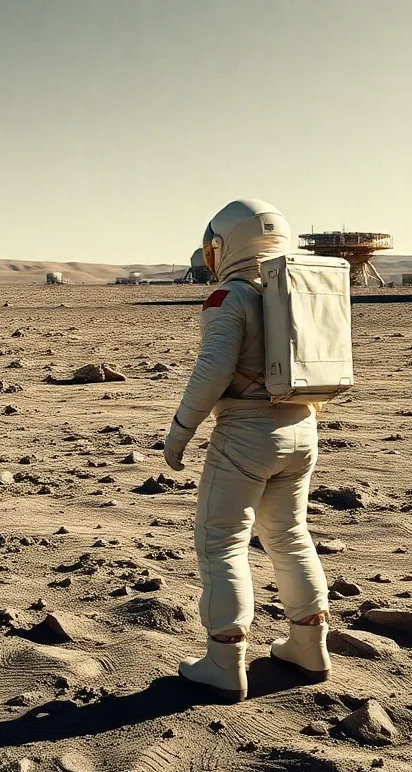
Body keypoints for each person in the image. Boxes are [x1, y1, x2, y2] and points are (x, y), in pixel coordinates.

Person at [163, 198, 330, 703]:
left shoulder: (229, 298)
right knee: (290, 536)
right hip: (302, 429)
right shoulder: (298, 292)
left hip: (246, 435)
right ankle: (308, 646)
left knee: (222, 544)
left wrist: (180, 430)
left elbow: (213, 370)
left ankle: (223, 662)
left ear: (226, 246)